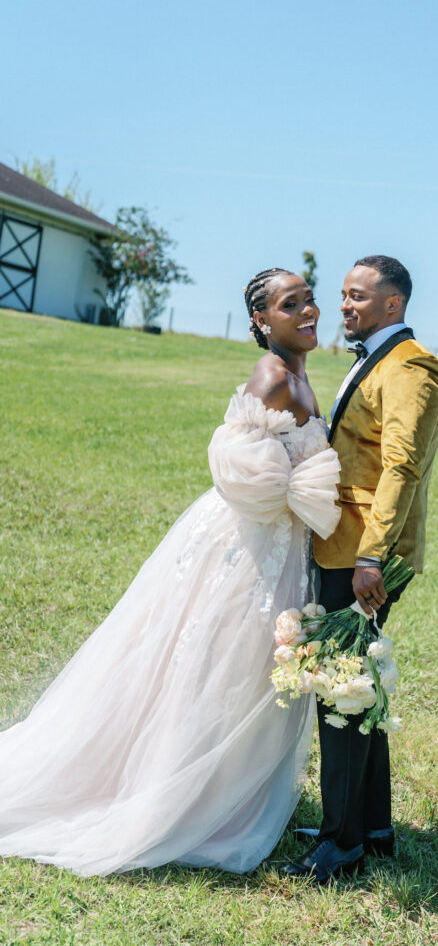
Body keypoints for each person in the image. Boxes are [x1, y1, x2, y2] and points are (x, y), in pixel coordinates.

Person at [0, 268, 341, 877]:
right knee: (220, 661)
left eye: (310, 300)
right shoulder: (272, 376)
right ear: (262, 321)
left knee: (247, 669)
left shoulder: (302, 373)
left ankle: (219, 788)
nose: (309, 311)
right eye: (292, 304)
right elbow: (239, 470)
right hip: (245, 546)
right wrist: (297, 491)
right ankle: (178, 791)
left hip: (281, 546)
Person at [282, 255, 438, 884]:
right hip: (345, 548)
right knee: (358, 686)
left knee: (340, 694)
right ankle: (372, 828)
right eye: (344, 295)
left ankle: (340, 844)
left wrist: (371, 556)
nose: (344, 305)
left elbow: (400, 468)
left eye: (357, 297)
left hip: (363, 559)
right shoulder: (375, 357)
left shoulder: (412, 369)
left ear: (392, 305)